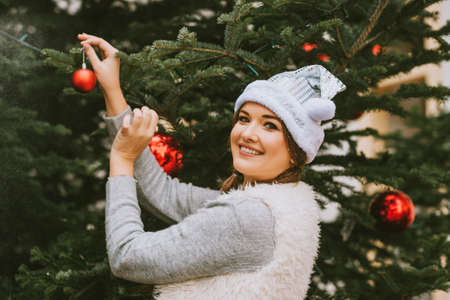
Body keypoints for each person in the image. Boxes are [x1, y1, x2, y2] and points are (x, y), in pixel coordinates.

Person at [78, 33, 346, 300]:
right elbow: (165, 194)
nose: (248, 133)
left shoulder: (248, 216)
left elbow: (127, 256)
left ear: (295, 151)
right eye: (244, 119)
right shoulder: (279, 206)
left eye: (270, 125)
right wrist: (113, 92)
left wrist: (122, 159)